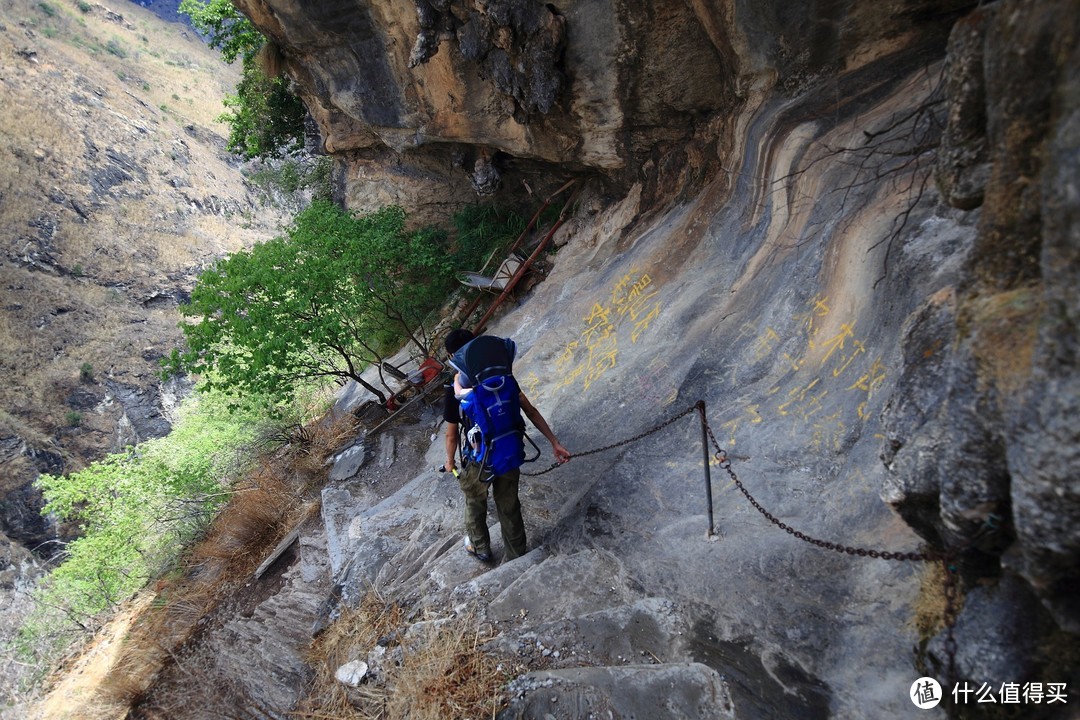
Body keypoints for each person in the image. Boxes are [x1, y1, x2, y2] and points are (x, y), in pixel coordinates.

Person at [442, 328, 571, 562]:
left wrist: (450, 460)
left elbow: (451, 435)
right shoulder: (502, 376)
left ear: (453, 357)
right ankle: (516, 555)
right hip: (508, 452)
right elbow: (529, 409)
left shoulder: (456, 389)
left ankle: (480, 547)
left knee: (474, 502)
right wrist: (555, 442)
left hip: (479, 460)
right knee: (509, 506)